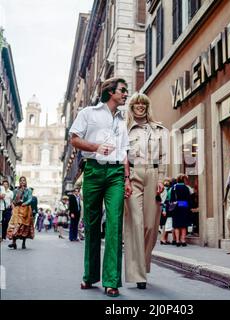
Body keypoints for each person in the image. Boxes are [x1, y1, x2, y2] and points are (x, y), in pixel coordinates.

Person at [70, 77, 132, 298]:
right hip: (94, 171)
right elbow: (74, 139)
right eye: (123, 90)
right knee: (92, 223)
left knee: (115, 224)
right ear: (110, 92)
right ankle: (89, 275)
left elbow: (124, 152)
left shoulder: (123, 121)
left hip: (115, 173)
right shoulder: (89, 113)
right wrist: (96, 147)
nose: (126, 94)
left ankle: (111, 281)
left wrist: (127, 179)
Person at [124, 92, 168, 290]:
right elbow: (123, 157)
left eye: (143, 103)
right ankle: (138, 274)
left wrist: (161, 179)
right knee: (136, 223)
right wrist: (125, 179)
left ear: (147, 106)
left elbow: (163, 157)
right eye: (136, 103)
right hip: (133, 175)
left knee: (150, 225)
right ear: (131, 107)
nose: (140, 106)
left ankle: (143, 265)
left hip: (152, 173)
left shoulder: (159, 130)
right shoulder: (125, 130)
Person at [6, 176, 34, 249]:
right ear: (19, 182)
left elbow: (30, 199)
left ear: (26, 182)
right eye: (21, 180)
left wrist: (24, 203)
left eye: (24, 180)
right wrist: (13, 206)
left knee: (24, 226)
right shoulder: (16, 190)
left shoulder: (29, 190)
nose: (22, 182)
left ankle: (23, 243)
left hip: (25, 210)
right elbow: (13, 200)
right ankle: (14, 242)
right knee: (14, 225)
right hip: (17, 209)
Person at [169, 174, 192, 247]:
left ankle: (178, 240)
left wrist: (171, 208)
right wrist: (189, 207)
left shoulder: (174, 188)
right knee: (183, 225)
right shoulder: (186, 188)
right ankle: (183, 240)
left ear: (177, 180)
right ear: (184, 180)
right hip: (184, 207)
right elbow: (189, 199)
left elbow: (171, 199)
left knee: (176, 225)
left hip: (176, 207)